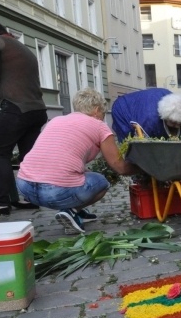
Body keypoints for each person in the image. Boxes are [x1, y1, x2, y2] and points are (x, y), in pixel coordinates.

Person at [17, 88, 140, 234]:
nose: (102, 117)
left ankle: (76, 211)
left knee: (83, 175)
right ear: (96, 110)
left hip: (25, 187)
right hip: (55, 193)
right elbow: (120, 167)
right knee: (101, 182)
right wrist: (143, 168)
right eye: (102, 113)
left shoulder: (56, 120)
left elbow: (56, 157)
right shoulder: (99, 126)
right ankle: (72, 210)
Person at [0, 22, 49, 215]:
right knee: (28, 157)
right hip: (37, 110)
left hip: (16, 108)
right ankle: (30, 198)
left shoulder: (2, 43)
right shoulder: (22, 48)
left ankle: (2, 203)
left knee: (0, 153)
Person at [111, 88, 181, 142]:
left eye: (179, 123)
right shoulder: (150, 120)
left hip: (150, 100)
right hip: (123, 108)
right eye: (173, 122)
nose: (176, 125)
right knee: (128, 141)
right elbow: (148, 146)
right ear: (165, 117)